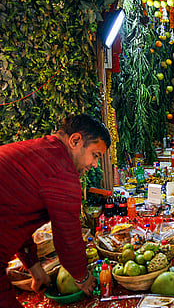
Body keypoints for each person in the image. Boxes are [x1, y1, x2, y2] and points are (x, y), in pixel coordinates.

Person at [0, 114, 111, 308]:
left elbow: (15, 217)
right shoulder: (61, 171)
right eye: (95, 155)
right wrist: (82, 277)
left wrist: (35, 269)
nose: (95, 164)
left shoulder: (43, 152)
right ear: (75, 140)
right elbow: (68, 235)